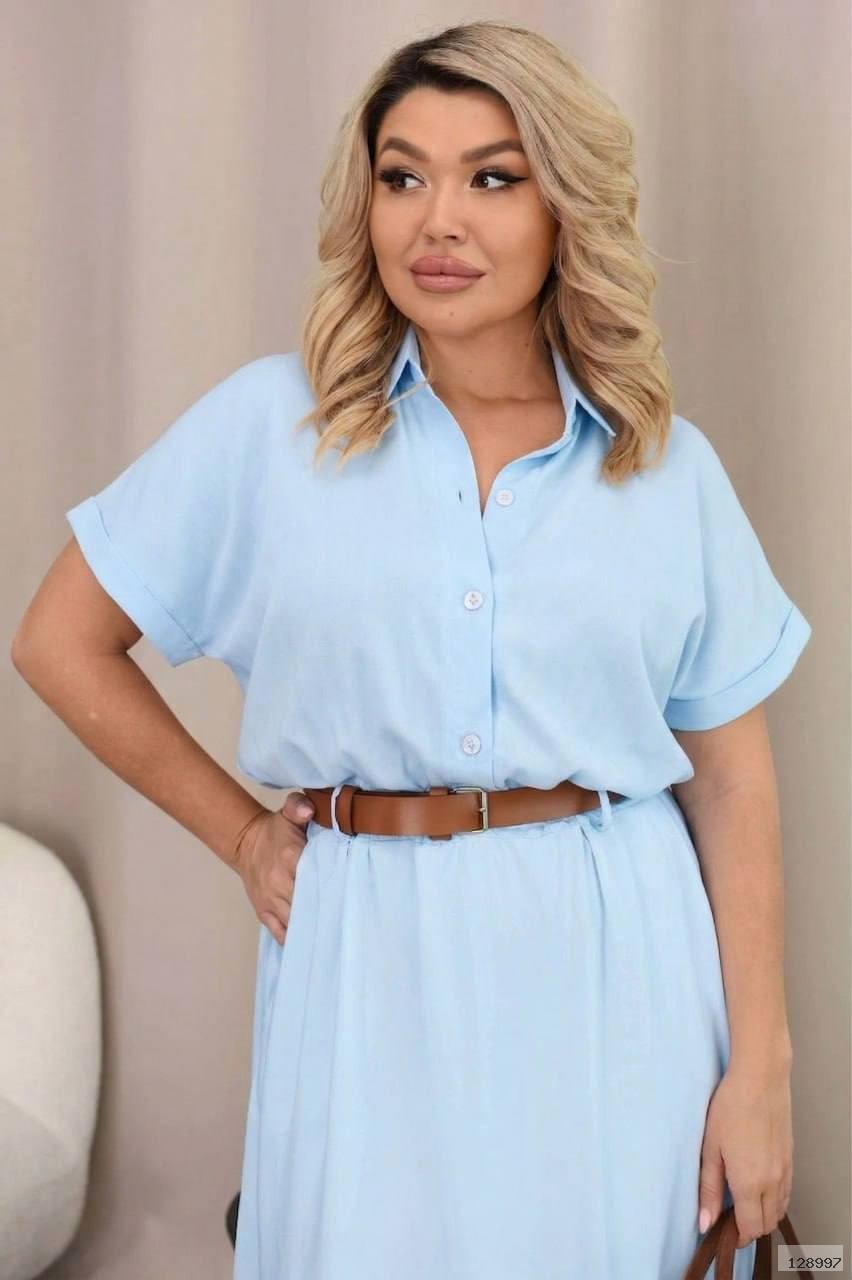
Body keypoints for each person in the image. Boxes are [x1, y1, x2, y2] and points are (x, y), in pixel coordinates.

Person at [11, 20, 812, 1280]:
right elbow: (60, 639)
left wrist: (760, 1066)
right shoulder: (275, 428)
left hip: (619, 969)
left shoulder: (662, 465)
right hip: (366, 961)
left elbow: (732, 778)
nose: (440, 220)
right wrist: (243, 834)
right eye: (403, 176)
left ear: (563, 206)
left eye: (493, 177)